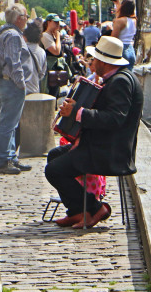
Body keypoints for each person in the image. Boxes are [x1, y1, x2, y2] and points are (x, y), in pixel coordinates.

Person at [46, 35, 142, 228]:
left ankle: (94, 208)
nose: (92, 62)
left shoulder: (120, 82)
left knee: (54, 170)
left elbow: (115, 119)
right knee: (54, 156)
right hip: (102, 145)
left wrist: (77, 112)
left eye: (95, 59)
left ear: (105, 62)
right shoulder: (116, 78)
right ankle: (78, 211)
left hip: (111, 152)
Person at [0, 5, 34, 175]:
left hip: (8, 83)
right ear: (18, 18)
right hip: (12, 84)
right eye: (25, 16)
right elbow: (13, 62)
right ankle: (4, 160)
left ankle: (11, 157)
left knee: (12, 122)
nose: (27, 20)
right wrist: (21, 83)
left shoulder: (3, 31)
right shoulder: (13, 35)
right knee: (8, 123)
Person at [23, 22, 49, 94]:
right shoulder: (42, 52)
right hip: (35, 91)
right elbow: (42, 74)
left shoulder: (19, 49)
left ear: (25, 35)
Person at [113, 0, 138, 66]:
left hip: (121, 50)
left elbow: (113, 38)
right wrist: (118, 5)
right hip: (131, 50)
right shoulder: (134, 20)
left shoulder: (119, 21)